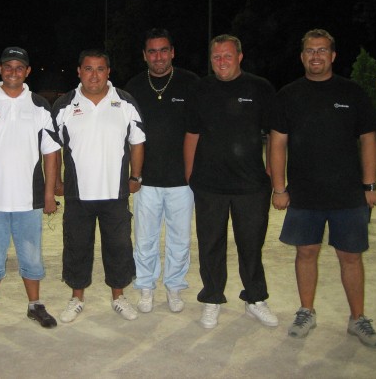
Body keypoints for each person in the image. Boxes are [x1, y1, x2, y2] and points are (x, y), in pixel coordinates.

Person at [269, 29, 376, 348]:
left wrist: (369, 185)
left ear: (332, 56)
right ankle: (306, 311)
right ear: (302, 56)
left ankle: (357, 318)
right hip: (305, 194)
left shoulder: (352, 92)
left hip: (348, 194)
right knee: (306, 253)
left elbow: (368, 139)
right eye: (310, 50)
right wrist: (279, 188)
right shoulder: (289, 94)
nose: (315, 56)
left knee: (351, 257)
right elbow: (277, 143)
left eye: (321, 50)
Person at [0, 47, 59, 334]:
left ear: (27, 71)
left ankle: (35, 305)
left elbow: (51, 153)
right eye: (8, 66)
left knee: (32, 256)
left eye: (19, 67)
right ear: (0, 69)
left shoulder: (40, 105)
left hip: (29, 200)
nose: (13, 72)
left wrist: (49, 194)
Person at [184, 34, 278, 329]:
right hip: (209, 185)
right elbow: (192, 134)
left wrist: (274, 176)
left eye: (227, 55)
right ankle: (212, 298)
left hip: (251, 186)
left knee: (251, 245)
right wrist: (190, 176)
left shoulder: (260, 88)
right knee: (210, 245)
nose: (221, 61)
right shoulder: (201, 89)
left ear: (239, 56)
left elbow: (275, 135)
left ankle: (255, 298)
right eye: (216, 57)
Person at [52, 49, 145, 322]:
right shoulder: (64, 105)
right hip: (77, 194)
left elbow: (137, 141)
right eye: (88, 69)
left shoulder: (124, 102)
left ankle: (119, 296)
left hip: (115, 193)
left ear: (108, 72)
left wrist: (136, 177)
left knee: (118, 247)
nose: (94, 75)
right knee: (76, 246)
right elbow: (53, 148)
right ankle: (76, 297)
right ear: (79, 71)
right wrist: (56, 180)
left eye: (100, 69)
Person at [124, 28, 198, 313]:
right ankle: (146, 287)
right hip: (146, 180)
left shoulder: (190, 83)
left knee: (180, 239)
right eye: (152, 52)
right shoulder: (133, 87)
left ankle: (175, 286)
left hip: (182, 181)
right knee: (145, 238)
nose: (158, 57)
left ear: (172, 52)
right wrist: (133, 174)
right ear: (144, 55)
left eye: (163, 50)